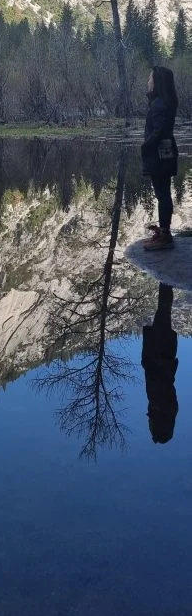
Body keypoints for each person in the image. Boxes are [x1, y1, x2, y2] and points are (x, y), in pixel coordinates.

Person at [142, 65, 178, 251]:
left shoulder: (159, 105)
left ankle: (164, 236)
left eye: (150, 78)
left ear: (157, 82)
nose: (148, 81)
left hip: (159, 155)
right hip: (166, 154)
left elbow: (158, 132)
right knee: (164, 194)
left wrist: (146, 146)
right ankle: (164, 231)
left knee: (162, 195)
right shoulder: (165, 102)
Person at [141, 283, 178, 444]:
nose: (149, 424)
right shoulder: (164, 407)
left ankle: (166, 281)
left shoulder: (161, 407)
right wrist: (151, 364)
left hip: (159, 355)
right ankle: (166, 280)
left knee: (162, 312)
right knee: (163, 311)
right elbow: (160, 380)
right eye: (152, 427)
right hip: (161, 354)